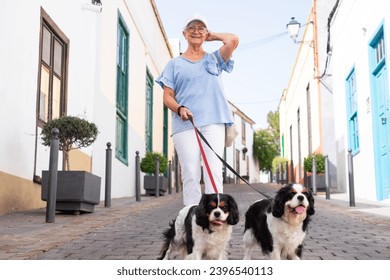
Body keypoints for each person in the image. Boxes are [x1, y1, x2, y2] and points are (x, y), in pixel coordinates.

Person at [156, 14, 239, 205]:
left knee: (214, 170)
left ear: (206, 33)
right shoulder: (174, 64)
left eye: (201, 28)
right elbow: (167, 96)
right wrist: (179, 108)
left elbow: (233, 39)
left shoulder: (214, 59)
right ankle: (191, 216)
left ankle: (214, 216)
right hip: (186, 123)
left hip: (214, 122)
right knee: (191, 172)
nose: (196, 31)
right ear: (184, 34)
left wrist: (213, 35)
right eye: (191, 28)